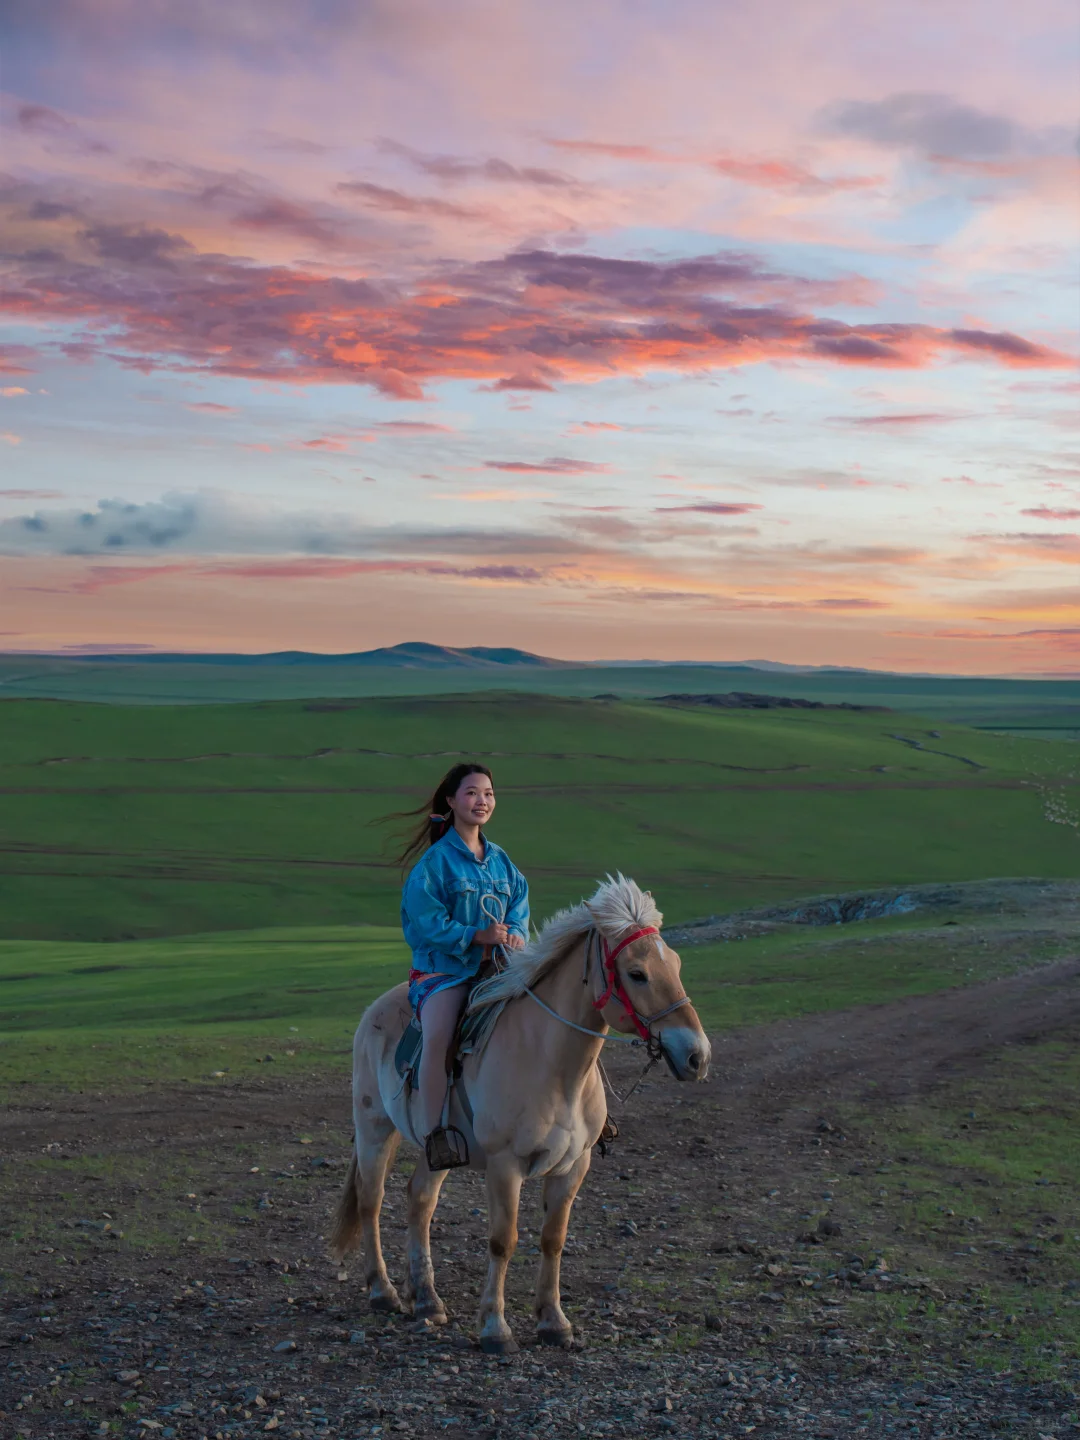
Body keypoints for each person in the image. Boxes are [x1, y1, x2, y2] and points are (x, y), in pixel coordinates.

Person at [397, 763, 529, 1169]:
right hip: (445, 972)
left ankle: (578, 1116)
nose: (482, 801)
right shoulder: (434, 864)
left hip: (498, 968)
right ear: (452, 802)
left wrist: (517, 934)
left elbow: (520, 907)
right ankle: (436, 1133)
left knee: (553, 1009)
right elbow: (426, 922)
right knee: (439, 1035)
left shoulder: (503, 862)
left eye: (488, 793)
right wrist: (477, 935)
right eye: (472, 793)